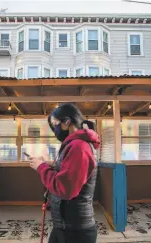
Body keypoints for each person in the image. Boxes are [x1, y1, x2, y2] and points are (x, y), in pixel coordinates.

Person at [29, 103, 100, 243]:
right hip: (64, 225)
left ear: (67, 122)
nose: (54, 130)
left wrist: (41, 167)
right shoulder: (75, 144)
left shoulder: (79, 147)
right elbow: (70, 171)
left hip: (75, 231)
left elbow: (65, 188)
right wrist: (51, 164)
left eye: (55, 124)